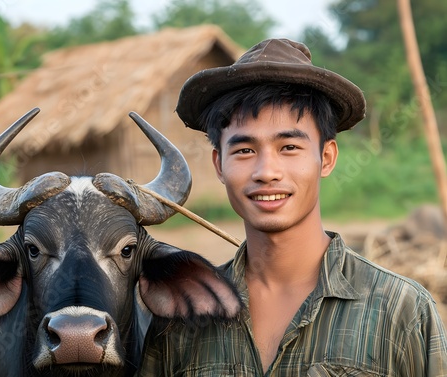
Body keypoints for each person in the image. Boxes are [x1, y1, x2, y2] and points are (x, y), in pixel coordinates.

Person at [136, 38, 447, 376]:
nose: (266, 172)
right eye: (244, 151)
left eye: (289, 147)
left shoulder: (402, 310)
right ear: (219, 164)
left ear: (326, 158)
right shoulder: (183, 319)